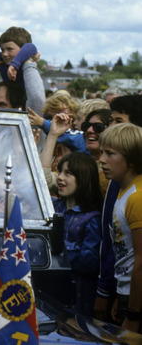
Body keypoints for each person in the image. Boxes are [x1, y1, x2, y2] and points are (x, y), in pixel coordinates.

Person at [98, 123, 142, 331]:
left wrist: (134, 314)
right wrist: (121, 295)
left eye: (110, 154)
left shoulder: (137, 197)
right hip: (127, 294)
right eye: (101, 152)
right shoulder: (123, 191)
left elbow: (141, 262)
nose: (102, 160)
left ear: (131, 159)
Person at [52, 151, 102, 317]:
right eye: (60, 172)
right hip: (49, 292)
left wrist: (57, 249)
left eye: (68, 173)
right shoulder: (52, 208)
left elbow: (89, 262)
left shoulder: (92, 218)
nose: (60, 177)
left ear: (84, 178)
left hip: (77, 297)